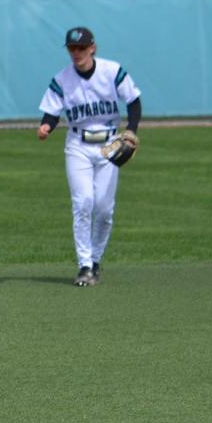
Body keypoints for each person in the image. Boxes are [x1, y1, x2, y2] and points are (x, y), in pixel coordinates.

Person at [37, 26, 142, 287]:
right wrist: (46, 125)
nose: (76, 53)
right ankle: (84, 265)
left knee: (105, 209)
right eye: (72, 48)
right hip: (78, 146)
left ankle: (96, 260)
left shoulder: (111, 71)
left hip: (109, 144)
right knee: (83, 202)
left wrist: (131, 130)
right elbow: (52, 110)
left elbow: (133, 101)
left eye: (81, 47)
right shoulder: (62, 79)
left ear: (92, 48)